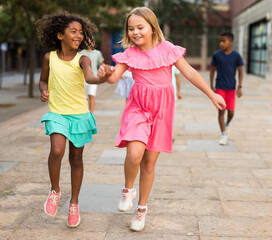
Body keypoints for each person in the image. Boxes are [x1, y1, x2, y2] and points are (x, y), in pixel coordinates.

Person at [98, 7, 226, 232]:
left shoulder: (167, 49)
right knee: (134, 154)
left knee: (149, 162)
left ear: (152, 27)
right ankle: (128, 189)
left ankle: (141, 208)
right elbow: (113, 78)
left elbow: (190, 73)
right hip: (138, 108)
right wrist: (106, 73)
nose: (135, 32)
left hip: (162, 111)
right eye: (131, 28)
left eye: (140, 27)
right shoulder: (129, 54)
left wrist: (212, 93)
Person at [36, 12, 106, 228]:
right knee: (57, 151)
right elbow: (42, 80)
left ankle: (74, 203)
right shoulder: (50, 57)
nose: (78, 35)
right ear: (59, 35)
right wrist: (44, 90)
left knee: (76, 159)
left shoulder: (82, 58)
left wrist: (102, 78)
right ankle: (55, 190)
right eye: (73, 31)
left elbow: (90, 77)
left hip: (78, 114)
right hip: (57, 113)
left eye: (80, 32)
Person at [210, 32, 244, 145]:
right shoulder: (216, 55)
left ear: (231, 42)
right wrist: (211, 85)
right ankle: (223, 134)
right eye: (220, 41)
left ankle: (228, 124)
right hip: (220, 87)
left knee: (231, 112)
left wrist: (240, 86)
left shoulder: (236, 56)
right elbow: (212, 70)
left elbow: (240, 71)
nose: (221, 43)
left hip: (231, 88)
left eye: (223, 41)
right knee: (221, 112)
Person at [80, 48, 104, 113]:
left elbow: (102, 64)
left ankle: (91, 113)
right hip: (83, 78)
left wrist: (101, 73)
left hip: (94, 77)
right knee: (84, 97)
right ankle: (84, 112)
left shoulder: (97, 53)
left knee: (91, 94)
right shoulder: (81, 53)